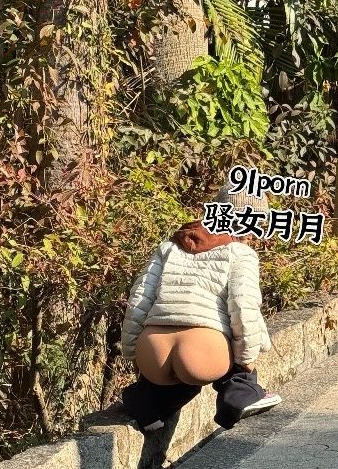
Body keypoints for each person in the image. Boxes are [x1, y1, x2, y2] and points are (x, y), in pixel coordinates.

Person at [120, 184, 282, 432]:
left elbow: (138, 300)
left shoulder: (170, 246)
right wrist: (246, 362)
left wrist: (133, 354)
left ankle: (145, 405)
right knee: (234, 348)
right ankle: (240, 396)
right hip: (201, 353)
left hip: (151, 352)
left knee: (181, 381)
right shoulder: (240, 253)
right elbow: (244, 307)